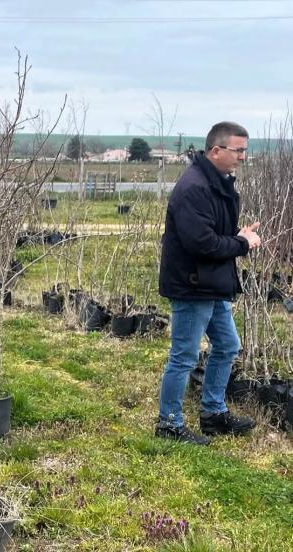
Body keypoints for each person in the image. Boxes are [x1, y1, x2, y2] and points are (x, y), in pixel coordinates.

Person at [156, 121, 261, 445]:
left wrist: (237, 235)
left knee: (227, 345)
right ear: (216, 150)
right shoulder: (195, 188)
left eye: (245, 150)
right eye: (238, 150)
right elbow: (201, 244)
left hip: (211, 282)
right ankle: (169, 424)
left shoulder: (216, 183)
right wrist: (242, 243)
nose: (243, 156)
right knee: (184, 356)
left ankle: (213, 414)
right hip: (192, 285)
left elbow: (212, 233)